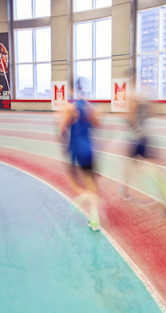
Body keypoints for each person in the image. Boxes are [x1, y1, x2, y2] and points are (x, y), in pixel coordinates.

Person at [119, 92, 166, 221]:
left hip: (135, 140)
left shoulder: (131, 97)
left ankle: (125, 190)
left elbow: (130, 118)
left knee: (128, 165)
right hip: (146, 138)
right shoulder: (144, 98)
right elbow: (152, 113)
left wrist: (128, 121)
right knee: (157, 172)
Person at [60, 78, 102, 231]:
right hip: (91, 148)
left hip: (78, 149)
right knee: (91, 182)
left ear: (72, 89)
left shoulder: (71, 108)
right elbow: (97, 124)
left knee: (73, 182)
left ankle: (90, 197)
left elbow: (63, 129)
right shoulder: (90, 107)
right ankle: (95, 220)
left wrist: (65, 148)